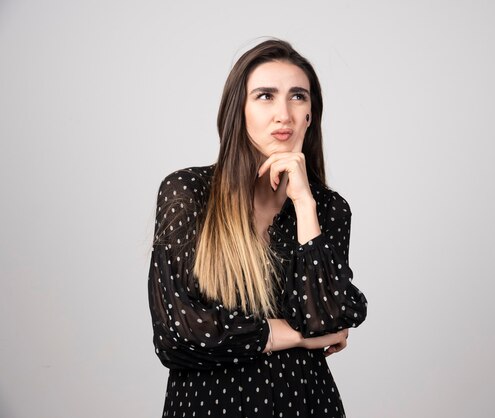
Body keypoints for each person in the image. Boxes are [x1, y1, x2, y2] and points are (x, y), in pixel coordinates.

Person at [147, 38, 368, 418]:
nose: (284, 113)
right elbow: (177, 335)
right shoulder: (189, 193)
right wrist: (294, 336)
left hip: (308, 406)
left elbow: (324, 317)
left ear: (310, 114)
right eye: (265, 96)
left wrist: (304, 203)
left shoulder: (327, 209)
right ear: (240, 111)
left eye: (298, 96)